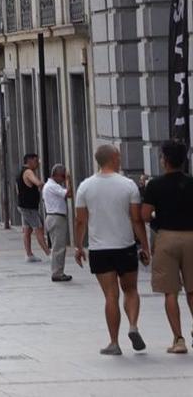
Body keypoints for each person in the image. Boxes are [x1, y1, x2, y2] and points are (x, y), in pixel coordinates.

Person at [75, 143, 150, 355]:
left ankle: (114, 342)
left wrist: (79, 246)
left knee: (111, 295)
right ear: (113, 158)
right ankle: (133, 325)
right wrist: (145, 245)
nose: (121, 160)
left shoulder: (85, 187)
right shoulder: (128, 185)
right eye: (119, 157)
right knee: (131, 290)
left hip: (100, 249)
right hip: (125, 246)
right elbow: (136, 219)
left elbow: (80, 221)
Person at [141, 140, 193, 354]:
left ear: (165, 160)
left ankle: (179, 339)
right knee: (192, 289)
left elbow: (145, 215)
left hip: (167, 237)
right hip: (191, 237)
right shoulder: (191, 182)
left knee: (170, 291)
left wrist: (157, 217)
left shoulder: (155, 185)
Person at [43, 164, 74, 283]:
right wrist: (69, 181)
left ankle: (58, 271)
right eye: (62, 176)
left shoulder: (50, 186)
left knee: (57, 246)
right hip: (56, 217)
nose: (63, 179)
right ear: (56, 175)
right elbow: (69, 194)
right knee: (58, 247)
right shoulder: (52, 186)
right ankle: (57, 273)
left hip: (53, 217)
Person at [16, 153, 50, 263]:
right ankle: (49, 254)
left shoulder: (20, 172)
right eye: (36, 161)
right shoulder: (28, 172)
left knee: (27, 230)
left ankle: (29, 254)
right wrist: (47, 185)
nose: (38, 164)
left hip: (24, 206)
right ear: (29, 161)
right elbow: (38, 183)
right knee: (38, 228)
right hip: (29, 208)